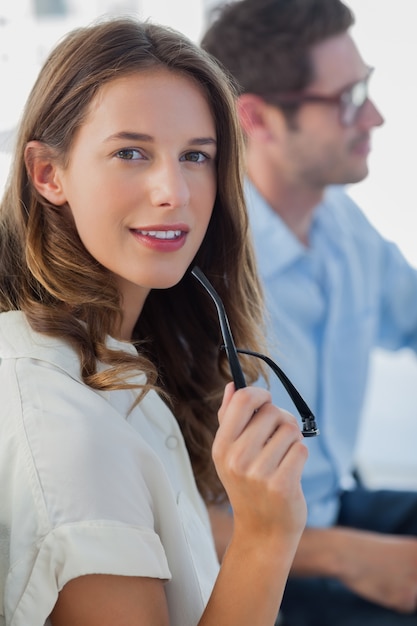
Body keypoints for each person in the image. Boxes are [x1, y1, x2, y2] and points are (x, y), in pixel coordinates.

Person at [0, 16, 309, 626]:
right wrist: (265, 538)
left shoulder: (123, 363)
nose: (175, 191)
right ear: (47, 174)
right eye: (131, 152)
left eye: (196, 156)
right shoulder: (65, 425)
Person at [201, 1, 417, 624]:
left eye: (366, 87)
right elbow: (158, 518)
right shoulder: (198, 274)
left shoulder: (341, 224)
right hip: (255, 560)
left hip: (331, 508)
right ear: (258, 117)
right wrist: (350, 557)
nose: (375, 115)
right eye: (348, 98)